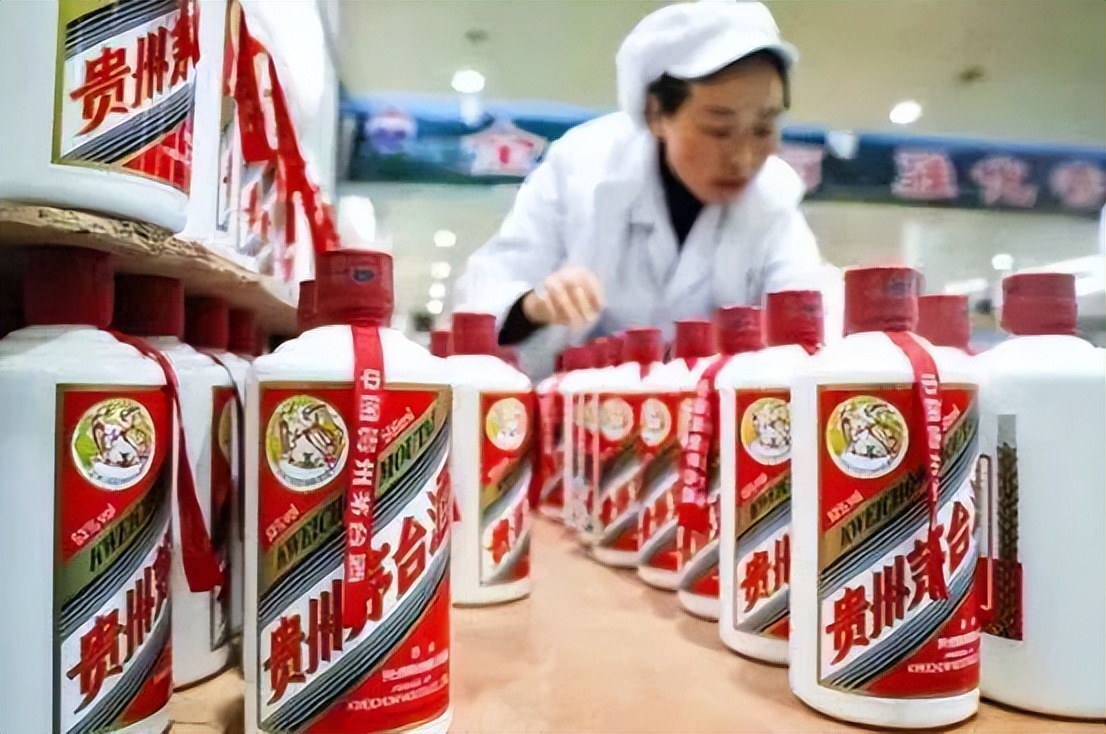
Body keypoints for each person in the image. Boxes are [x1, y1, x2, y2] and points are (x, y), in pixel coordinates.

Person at [456, 0, 826, 377]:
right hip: (580, 403)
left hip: (712, 408)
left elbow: (810, 307)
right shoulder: (582, 167)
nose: (744, 158)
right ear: (656, 114)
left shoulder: (773, 196)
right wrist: (535, 305)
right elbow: (487, 293)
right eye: (719, 130)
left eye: (764, 128)